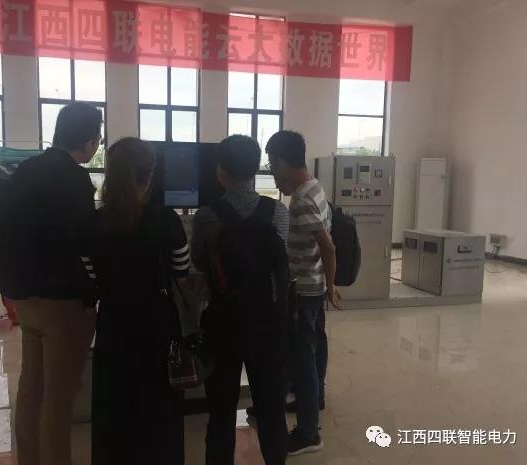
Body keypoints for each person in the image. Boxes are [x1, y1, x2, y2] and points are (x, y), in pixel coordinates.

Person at [11, 102, 102, 465]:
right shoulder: (75, 180)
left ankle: (29, 459)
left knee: (31, 387)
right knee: (59, 397)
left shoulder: (27, 170)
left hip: (27, 298)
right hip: (63, 304)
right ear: (90, 140)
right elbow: (85, 243)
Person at [191, 135, 290, 465]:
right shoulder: (278, 212)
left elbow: (199, 264)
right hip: (268, 325)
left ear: (220, 171)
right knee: (271, 410)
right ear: (256, 169)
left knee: (220, 411)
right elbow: (280, 265)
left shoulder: (206, 217)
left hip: (223, 323)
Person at [91, 138, 189, 465]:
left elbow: (91, 277)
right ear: (149, 177)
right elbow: (181, 271)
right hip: (158, 329)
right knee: (161, 413)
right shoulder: (167, 221)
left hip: (113, 328)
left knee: (115, 411)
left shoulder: (96, 223)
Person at [265, 130, 342, 456]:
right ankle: (313, 400)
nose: (272, 172)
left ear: (284, 162)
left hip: (304, 290)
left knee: (302, 360)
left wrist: (332, 284)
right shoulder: (315, 187)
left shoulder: (300, 201)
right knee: (314, 346)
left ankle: (309, 433)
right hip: (315, 285)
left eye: (272, 164)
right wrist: (328, 284)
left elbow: (328, 246)